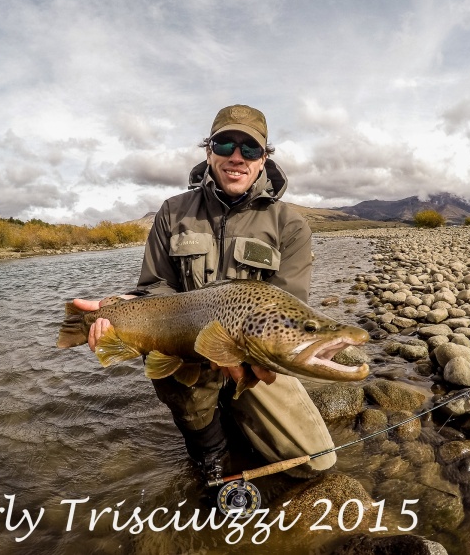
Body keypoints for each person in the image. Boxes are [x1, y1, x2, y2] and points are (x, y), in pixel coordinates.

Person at [74, 104, 336, 482]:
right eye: (225, 144)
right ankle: (209, 457)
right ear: (209, 152)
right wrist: (127, 311)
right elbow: (156, 287)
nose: (236, 157)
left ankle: (234, 409)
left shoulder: (289, 224)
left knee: (318, 463)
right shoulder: (173, 212)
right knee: (171, 373)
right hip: (187, 347)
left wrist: (238, 355)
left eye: (249, 149)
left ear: (263, 159)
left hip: (253, 357)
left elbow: (288, 311)